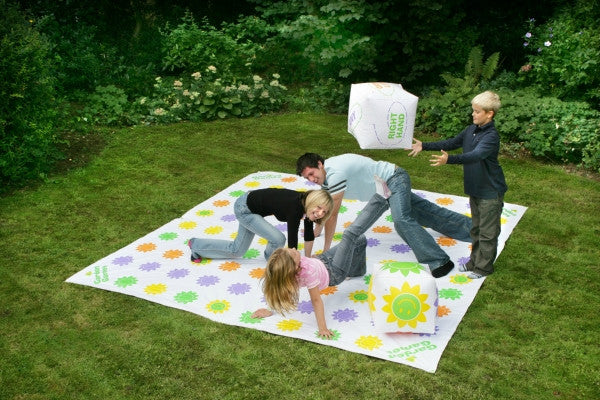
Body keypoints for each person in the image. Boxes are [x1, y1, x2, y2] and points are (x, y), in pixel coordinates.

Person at [296, 152, 472, 278]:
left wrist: (326, 251)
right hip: (382, 191)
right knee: (426, 212)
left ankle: (440, 261)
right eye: (307, 178)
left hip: (393, 179)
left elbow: (332, 215)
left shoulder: (335, 174)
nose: (311, 180)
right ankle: (474, 228)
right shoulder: (326, 177)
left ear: (320, 164)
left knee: (401, 220)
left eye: (311, 173)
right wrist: (318, 230)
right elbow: (326, 208)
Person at [408, 90, 507, 279]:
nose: (473, 114)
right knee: (475, 228)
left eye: (477, 111)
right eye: (473, 110)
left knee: (487, 232)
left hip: (490, 191)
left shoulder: (491, 137)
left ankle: (483, 268)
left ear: (489, 114)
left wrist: (450, 160)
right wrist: (424, 146)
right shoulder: (471, 130)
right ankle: (473, 262)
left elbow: (476, 155)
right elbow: (452, 142)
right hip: (475, 188)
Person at [251, 207, 372, 338]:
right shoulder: (308, 272)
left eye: (290, 250)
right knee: (350, 235)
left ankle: (357, 270)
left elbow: (276, 288)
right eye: (294, 253)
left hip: (323, 259)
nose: (294, 248)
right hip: (335, 272)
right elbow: (316, 301)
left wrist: (269, 309)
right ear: (294, 267)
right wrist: (323, 328)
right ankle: (378, 203)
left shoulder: (280, 272)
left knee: (360, 239)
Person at [187, 188, 333, 262]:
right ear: (313, 201)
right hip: (244, 209)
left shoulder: (308, 206)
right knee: (278, 239)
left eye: (324, 212)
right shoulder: (295, 208)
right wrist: (300, 264)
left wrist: (308, 260)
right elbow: (292, 242)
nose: (320, 213)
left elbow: (308, 235)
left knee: (237, 251)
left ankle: (196, 245)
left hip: (252, 208)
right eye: (319, 208)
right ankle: (272, 261)